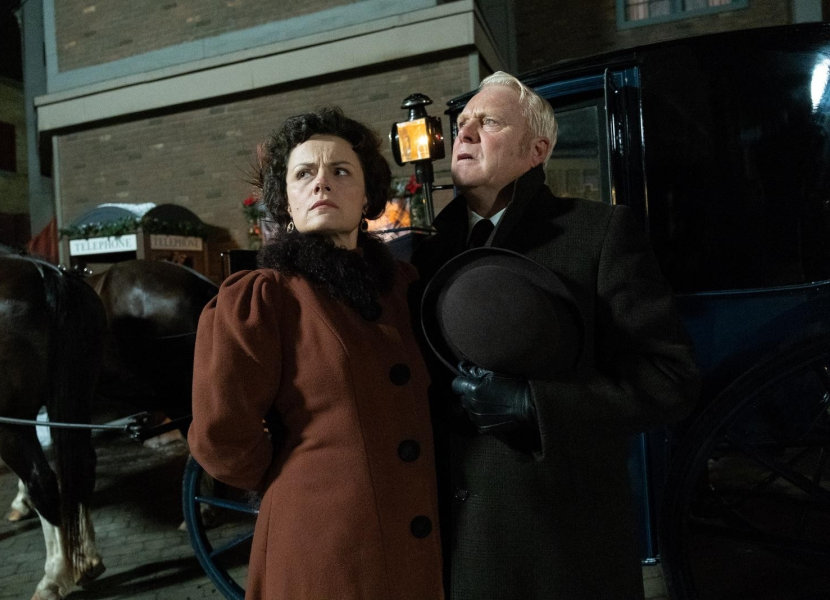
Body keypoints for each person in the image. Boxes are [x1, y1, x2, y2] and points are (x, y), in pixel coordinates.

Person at [411, 72, 701, 599]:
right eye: (463, 122)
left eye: (489, 122)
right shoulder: (420, 255)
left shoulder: (598, 233)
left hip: (557, 548)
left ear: (537, 150)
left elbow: (670, 377)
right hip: (446, 548)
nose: (465, 133)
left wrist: (534, 405)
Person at [187, 107, 444, 600]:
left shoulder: (403, 287)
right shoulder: (264, 298)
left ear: (367, 195)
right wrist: (302, 478)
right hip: (321, 546)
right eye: (304, 173)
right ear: (286, 199)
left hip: (416, 535)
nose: (321, 182)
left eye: (340, 171)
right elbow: (222, 437)